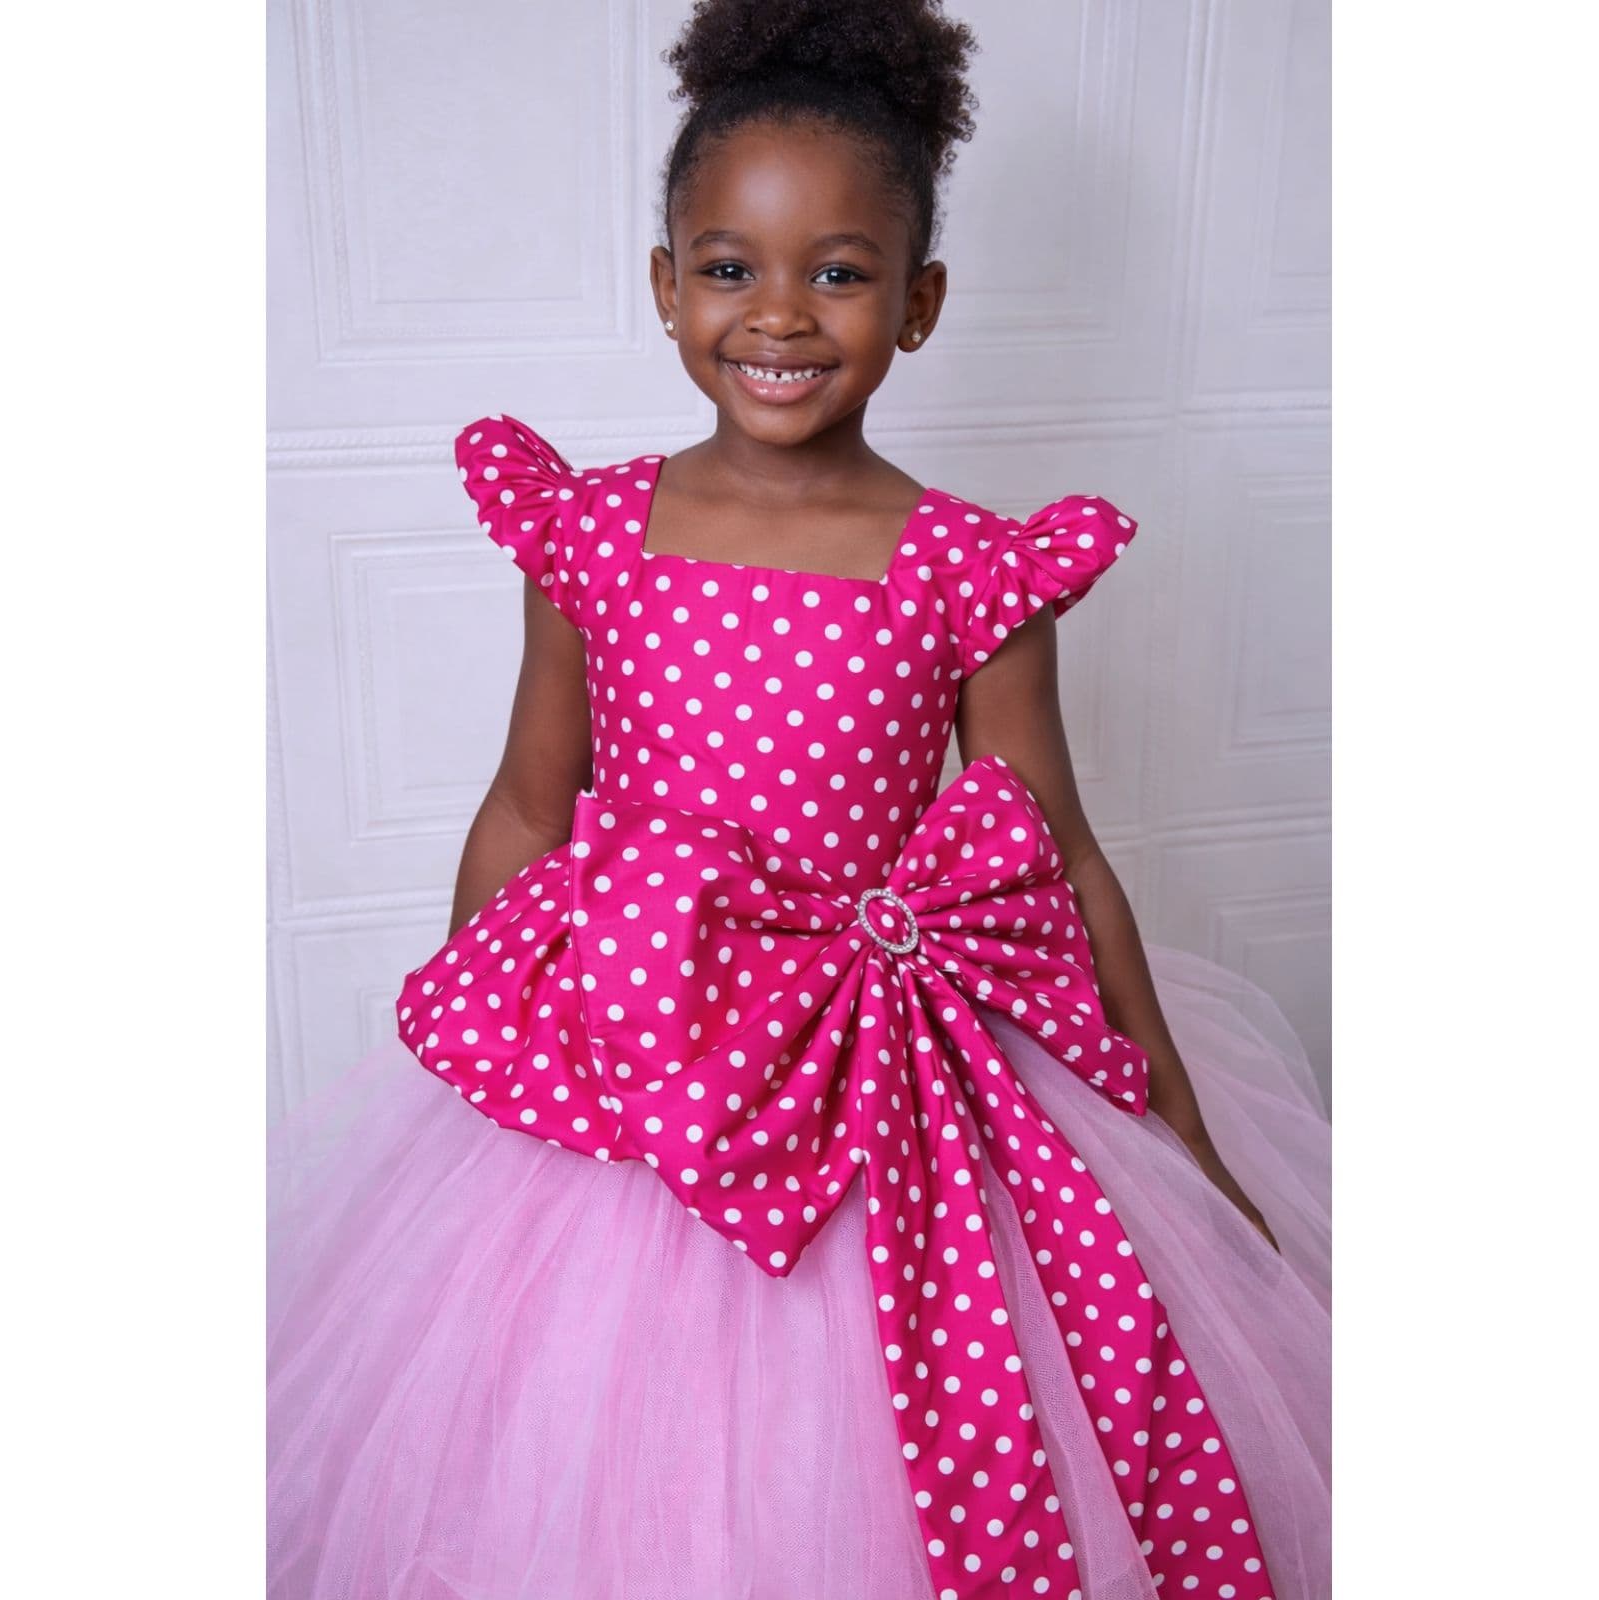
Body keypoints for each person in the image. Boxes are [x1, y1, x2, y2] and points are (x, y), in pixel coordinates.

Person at [267, 3, 1331, 1596]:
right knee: (594, 1471)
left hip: (880, 1088)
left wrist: (1172, 1116)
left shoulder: (971, 568)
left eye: (838, 273)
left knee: (865, 1476)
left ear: (919, 302)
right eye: (728, 266)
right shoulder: (589, 534)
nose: (778, 314)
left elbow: (1053, 855)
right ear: (664, 284)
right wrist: (480, 1050)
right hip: (633, 1062)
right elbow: (528, 807)